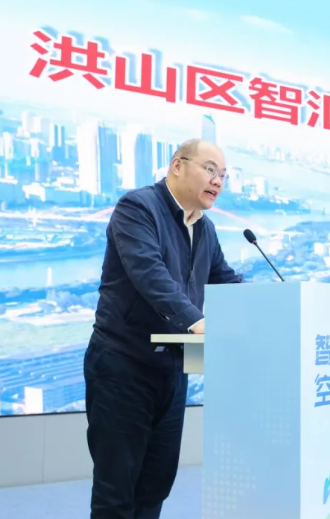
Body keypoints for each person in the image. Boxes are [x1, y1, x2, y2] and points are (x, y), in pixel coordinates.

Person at [83, 138, 242, 518]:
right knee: (116, 493)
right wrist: (199, 323)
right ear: (177, 165)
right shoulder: (137, 208)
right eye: (210, 170)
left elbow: (225, 281)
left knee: (155, 486)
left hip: (173, 369)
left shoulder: (204, 228)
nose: (217, 181)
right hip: (123, 367)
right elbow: (151, 276)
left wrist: (272, 310)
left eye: (223, 175)